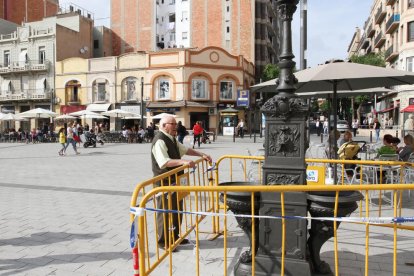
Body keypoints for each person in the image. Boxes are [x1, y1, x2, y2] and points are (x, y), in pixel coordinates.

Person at [151, 115, 212, 250]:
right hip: (165, 182)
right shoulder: (160, 140)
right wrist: (183, 162)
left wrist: (201, 154)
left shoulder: (171, 138)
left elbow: (185, 149)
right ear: (164, 125)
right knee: (165, 211)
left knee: (177, 209)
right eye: (173, 124)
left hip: (176, 180)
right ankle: (163, 242)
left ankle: (175, 236)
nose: (175, 126)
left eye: (175, 124)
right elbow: (164, 162)